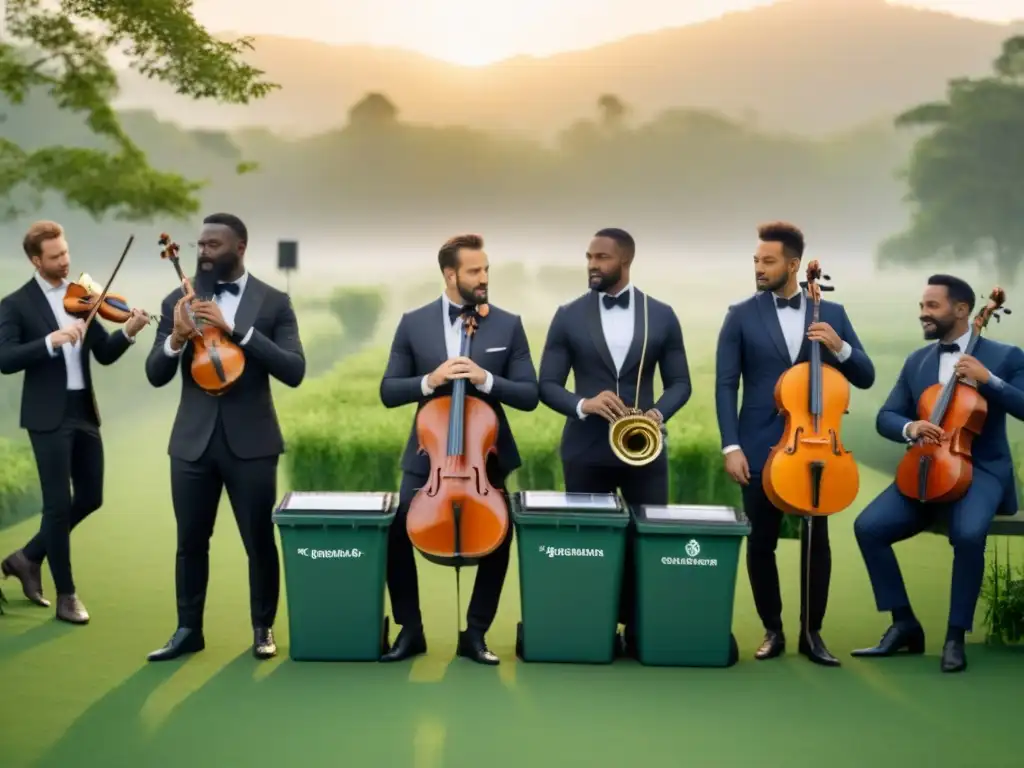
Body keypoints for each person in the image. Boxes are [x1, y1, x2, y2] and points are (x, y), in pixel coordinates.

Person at [143, 213, 305, 662]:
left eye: (214, 245)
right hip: (191, 444)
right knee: (190, 541)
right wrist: (175, 339)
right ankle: (188, 629)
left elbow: (294, 369)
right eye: (200, 245)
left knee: (258, 541)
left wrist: (236, 330)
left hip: (252, 443)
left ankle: (262, 628)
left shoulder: (273, 302)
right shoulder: (178, 299)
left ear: (240, 248)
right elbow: (155, 374)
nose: (204, 253)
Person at [715, 221, 875, 666]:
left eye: (768, 261)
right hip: (759, 446)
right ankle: (773, 629)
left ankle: (813, 632)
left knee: (815, 538)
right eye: (755, 261)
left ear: (793, 265)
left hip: (816, 447)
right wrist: (732, 446)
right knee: (761, 540)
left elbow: (865, 375)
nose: (759, 268)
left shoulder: (833, 314)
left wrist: (840, 348)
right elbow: (726, 385)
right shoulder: (740, 314)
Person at [378, 233, 538, 665]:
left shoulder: (508, 324)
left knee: (499, 534)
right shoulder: (414, 323)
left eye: (486, 269)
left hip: (484, 458)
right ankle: (411, 631)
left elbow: (529, 393)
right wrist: (430, 380)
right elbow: (389, 390)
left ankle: (477, 632)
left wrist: (485, 379)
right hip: (428, 458)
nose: (484, 278)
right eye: (474, 271)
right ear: (451, 275)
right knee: (396, 529)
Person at [852, 274, 1024, 673]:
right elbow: (886, 416)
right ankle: (904, 623)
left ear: (962, 311)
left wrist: (989, 381)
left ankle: (954, 636)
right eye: (921, 306)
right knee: (869, 527)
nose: (923, 314)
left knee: (967, 534)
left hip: (981, 469)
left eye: (932, 306)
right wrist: (910, 428)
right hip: (927, 465)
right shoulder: (919, 361)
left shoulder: (1006, 357)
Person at [537, 227, 691, 655]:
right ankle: (592, 627)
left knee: (646, 542)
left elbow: (681, 383)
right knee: (589, 544)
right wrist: (584, 403)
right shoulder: (567, 315)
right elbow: (546, 384)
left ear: (625, 261)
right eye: (588, 256)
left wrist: (657, 414)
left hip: (646, 450)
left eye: (601, 257)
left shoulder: (662, 314)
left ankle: (643, 631)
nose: (591, 264)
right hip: (584, 451)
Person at [0, 220, 150, 623]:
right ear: (36, 260)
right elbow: (5, 359)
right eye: (55, 256)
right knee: (57, 505)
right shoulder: (15, 305)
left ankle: (27, 557)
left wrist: (131, 332)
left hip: (83, 410)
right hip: (47, 414)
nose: (65, 261)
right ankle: (67, 595)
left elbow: (104, 352)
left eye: (66, 252)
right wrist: (51, 341)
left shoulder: (79, 296)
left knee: (90, 497)